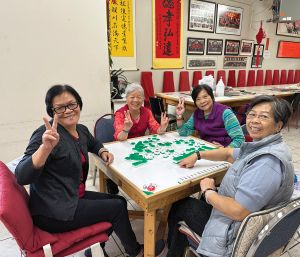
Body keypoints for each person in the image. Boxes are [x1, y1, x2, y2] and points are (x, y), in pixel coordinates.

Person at [15, 85, 165, 257]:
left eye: (72, 104)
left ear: (79, 104)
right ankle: (136, 252)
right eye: (60, 108)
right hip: (53, 210)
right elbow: (21, 175)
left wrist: (103, 151)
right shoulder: (46, 134)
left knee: (120, 202)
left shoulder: (80, 129)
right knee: (115, 208)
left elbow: (94, 143)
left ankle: (96, 250)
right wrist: (44, 149)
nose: (68, 110)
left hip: (71, 196)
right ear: (52, 111)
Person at [166, 95, 294, 257]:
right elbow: (227, 153)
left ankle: (175, 251)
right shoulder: (267, 146)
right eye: (252, 114)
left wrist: (208, 192)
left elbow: (238, 211)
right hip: (246, 222)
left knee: (181, 206)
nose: (254, 120)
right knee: (192, 204)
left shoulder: (267, 162)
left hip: (235, 234)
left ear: (278, 126)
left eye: (263, 117)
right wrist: (198, 155)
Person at [107, 83, 169, 194]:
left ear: (143, 99)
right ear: (126, 99)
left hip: (139, 148)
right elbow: (119, 137)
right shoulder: (121, 113)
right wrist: (126, 129)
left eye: (139, 97)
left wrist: (162, 128)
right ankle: (113, 184)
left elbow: (155, 129)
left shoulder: (147, 112)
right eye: (132, 97)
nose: (136, 100)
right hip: (122, 149)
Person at [176, 84, 244, 148]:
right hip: (206, 148)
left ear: (212, 96)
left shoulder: (225, 113)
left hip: (225, 151)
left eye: (205, 97)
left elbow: (239, 139)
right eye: (198, 99)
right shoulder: (197, 113)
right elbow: (184, 132)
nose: (202, 101)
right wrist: (179, 115)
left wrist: (225, 150)